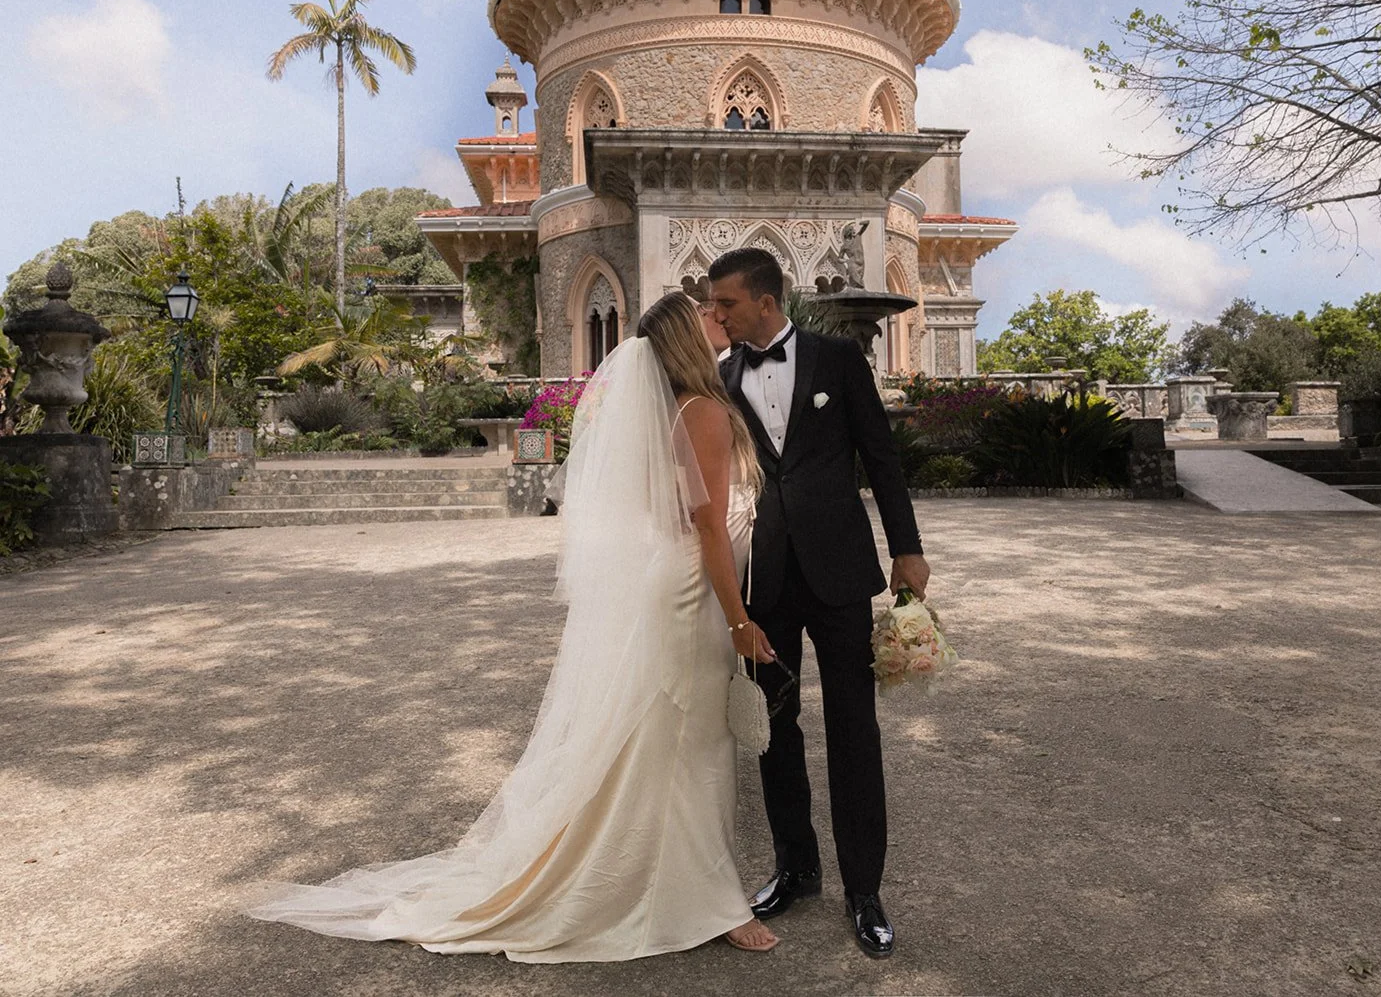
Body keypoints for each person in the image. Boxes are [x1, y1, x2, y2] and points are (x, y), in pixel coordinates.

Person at [244, 292, 782, 961]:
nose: (717, 317)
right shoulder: (702, 411)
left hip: (675, 584)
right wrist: (738, 618)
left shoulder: (674, 411)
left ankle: (676, 878)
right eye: (705, 312)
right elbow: (706, 525)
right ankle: (710, 897)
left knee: (670, 739)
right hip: (692, 594)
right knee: (686, 743)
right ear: (685, 336)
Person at [708, 246, 930, 959]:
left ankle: (864, 888)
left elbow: (882, 457)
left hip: (839, 570)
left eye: (727, 303)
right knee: (775, 730)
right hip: (766, 578)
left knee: (853, 730)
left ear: (765, 301)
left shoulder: (839, 359)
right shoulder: (724, 376)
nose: (717, 314)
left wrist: (908, 547)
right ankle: (796, 868)